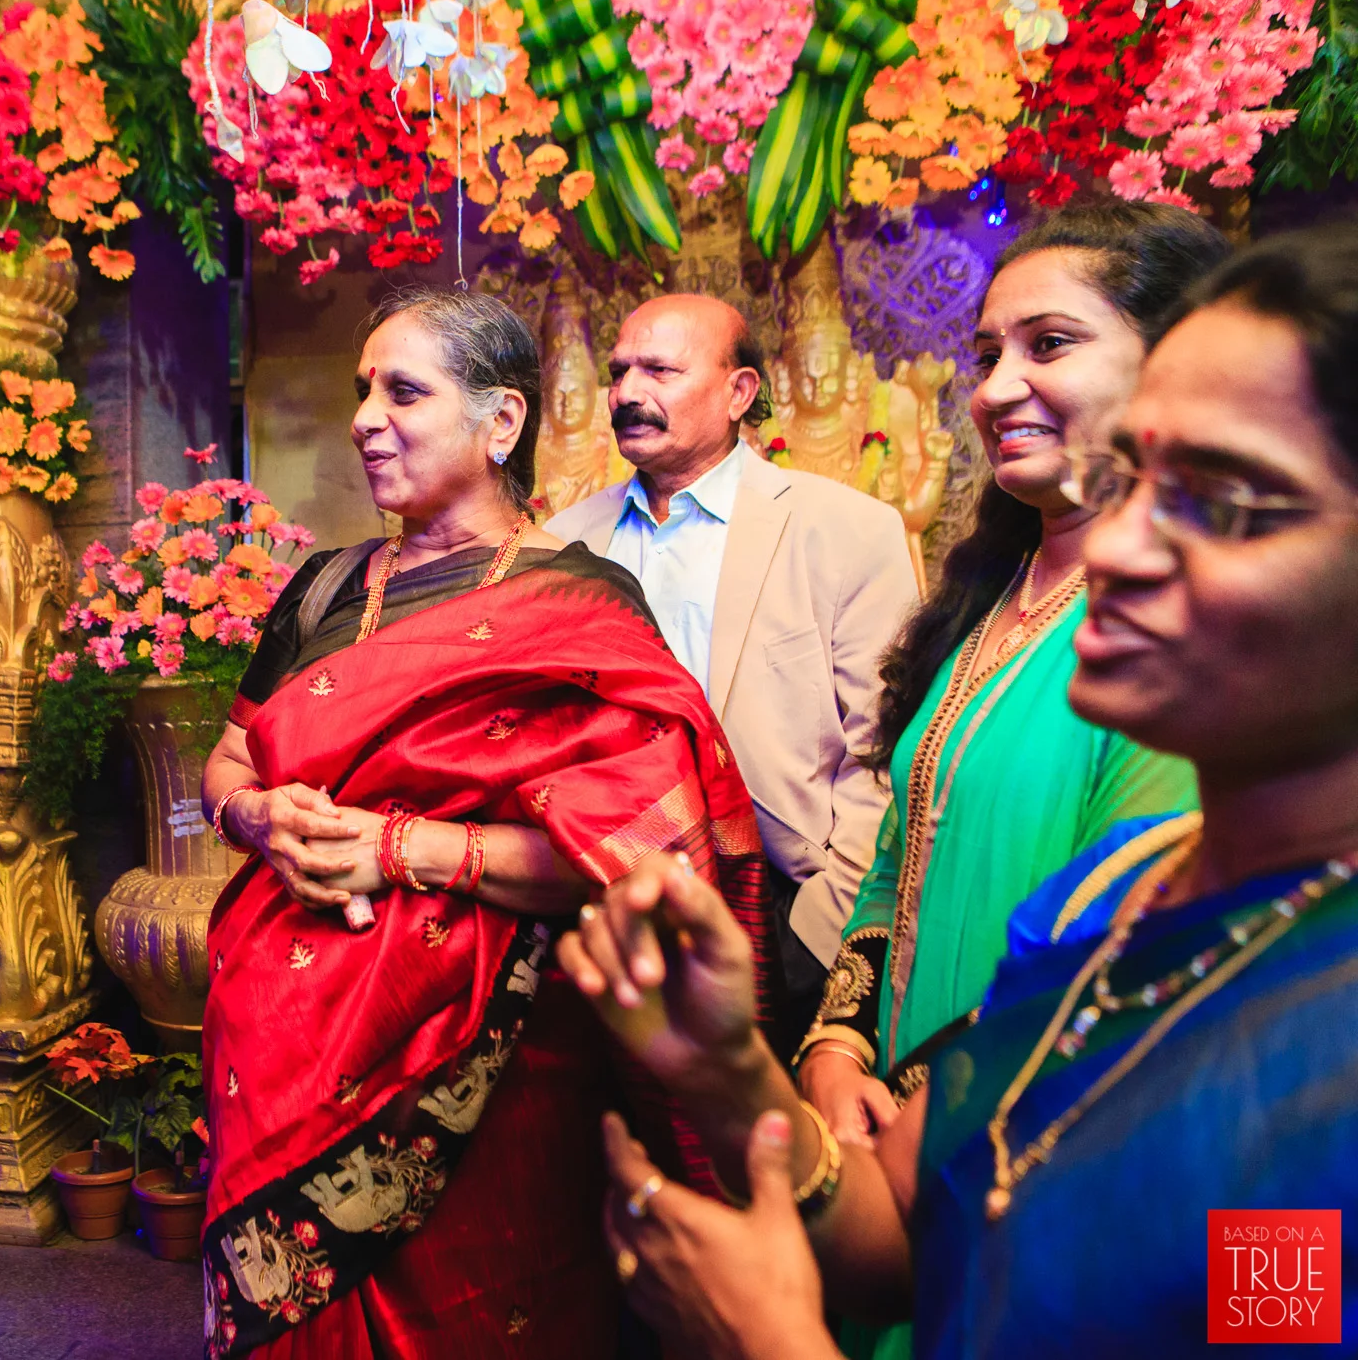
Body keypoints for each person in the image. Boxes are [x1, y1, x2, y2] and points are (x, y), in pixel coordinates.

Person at [559, 218, 1358, 1358]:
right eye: (1132, 483)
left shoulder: (1320, 1059)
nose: (1117, 550)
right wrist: (735, 1065)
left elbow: (1250, 1324)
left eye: (1223, 504)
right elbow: (906, 1236)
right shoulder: (1108, 904)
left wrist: (768, 1337)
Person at [197, 288, 775, 1359]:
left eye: (403, 392)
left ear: (500, 421)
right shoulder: (324, 587)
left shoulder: (582, 603)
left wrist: (399, 848)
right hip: (280, 1041)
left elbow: (643, 853)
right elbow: (229, 757)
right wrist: (259, 816)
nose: (365, 418)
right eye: (362, 389)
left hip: (494, 1057)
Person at [796, 207, 1226, 1203]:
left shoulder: (1188, 622)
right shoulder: (985, 605)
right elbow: (893, 864)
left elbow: (1114, 938)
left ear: (1173, 361)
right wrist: (834, 1054)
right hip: (893, 1139)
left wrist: (910, 1123)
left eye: (1050, 344)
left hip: (1041, 1144)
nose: (992, 389)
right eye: (987, 354)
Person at [546, 294, 918, 1049]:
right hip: (609, 902)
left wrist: (818, 936)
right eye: (619, 373)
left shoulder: (846, 530)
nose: (627, 393)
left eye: (659, 370)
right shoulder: (562, 543)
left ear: (739, 392)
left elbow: (884, 752)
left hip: (786, 906)